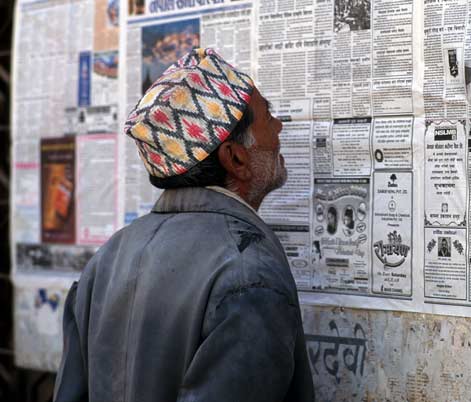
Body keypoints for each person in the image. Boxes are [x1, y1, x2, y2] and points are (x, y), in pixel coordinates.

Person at [54, 48, 314, 402]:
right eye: (267, 115)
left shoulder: (107, 259)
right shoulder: (248, 271)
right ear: (236, 159)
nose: (279, 126)